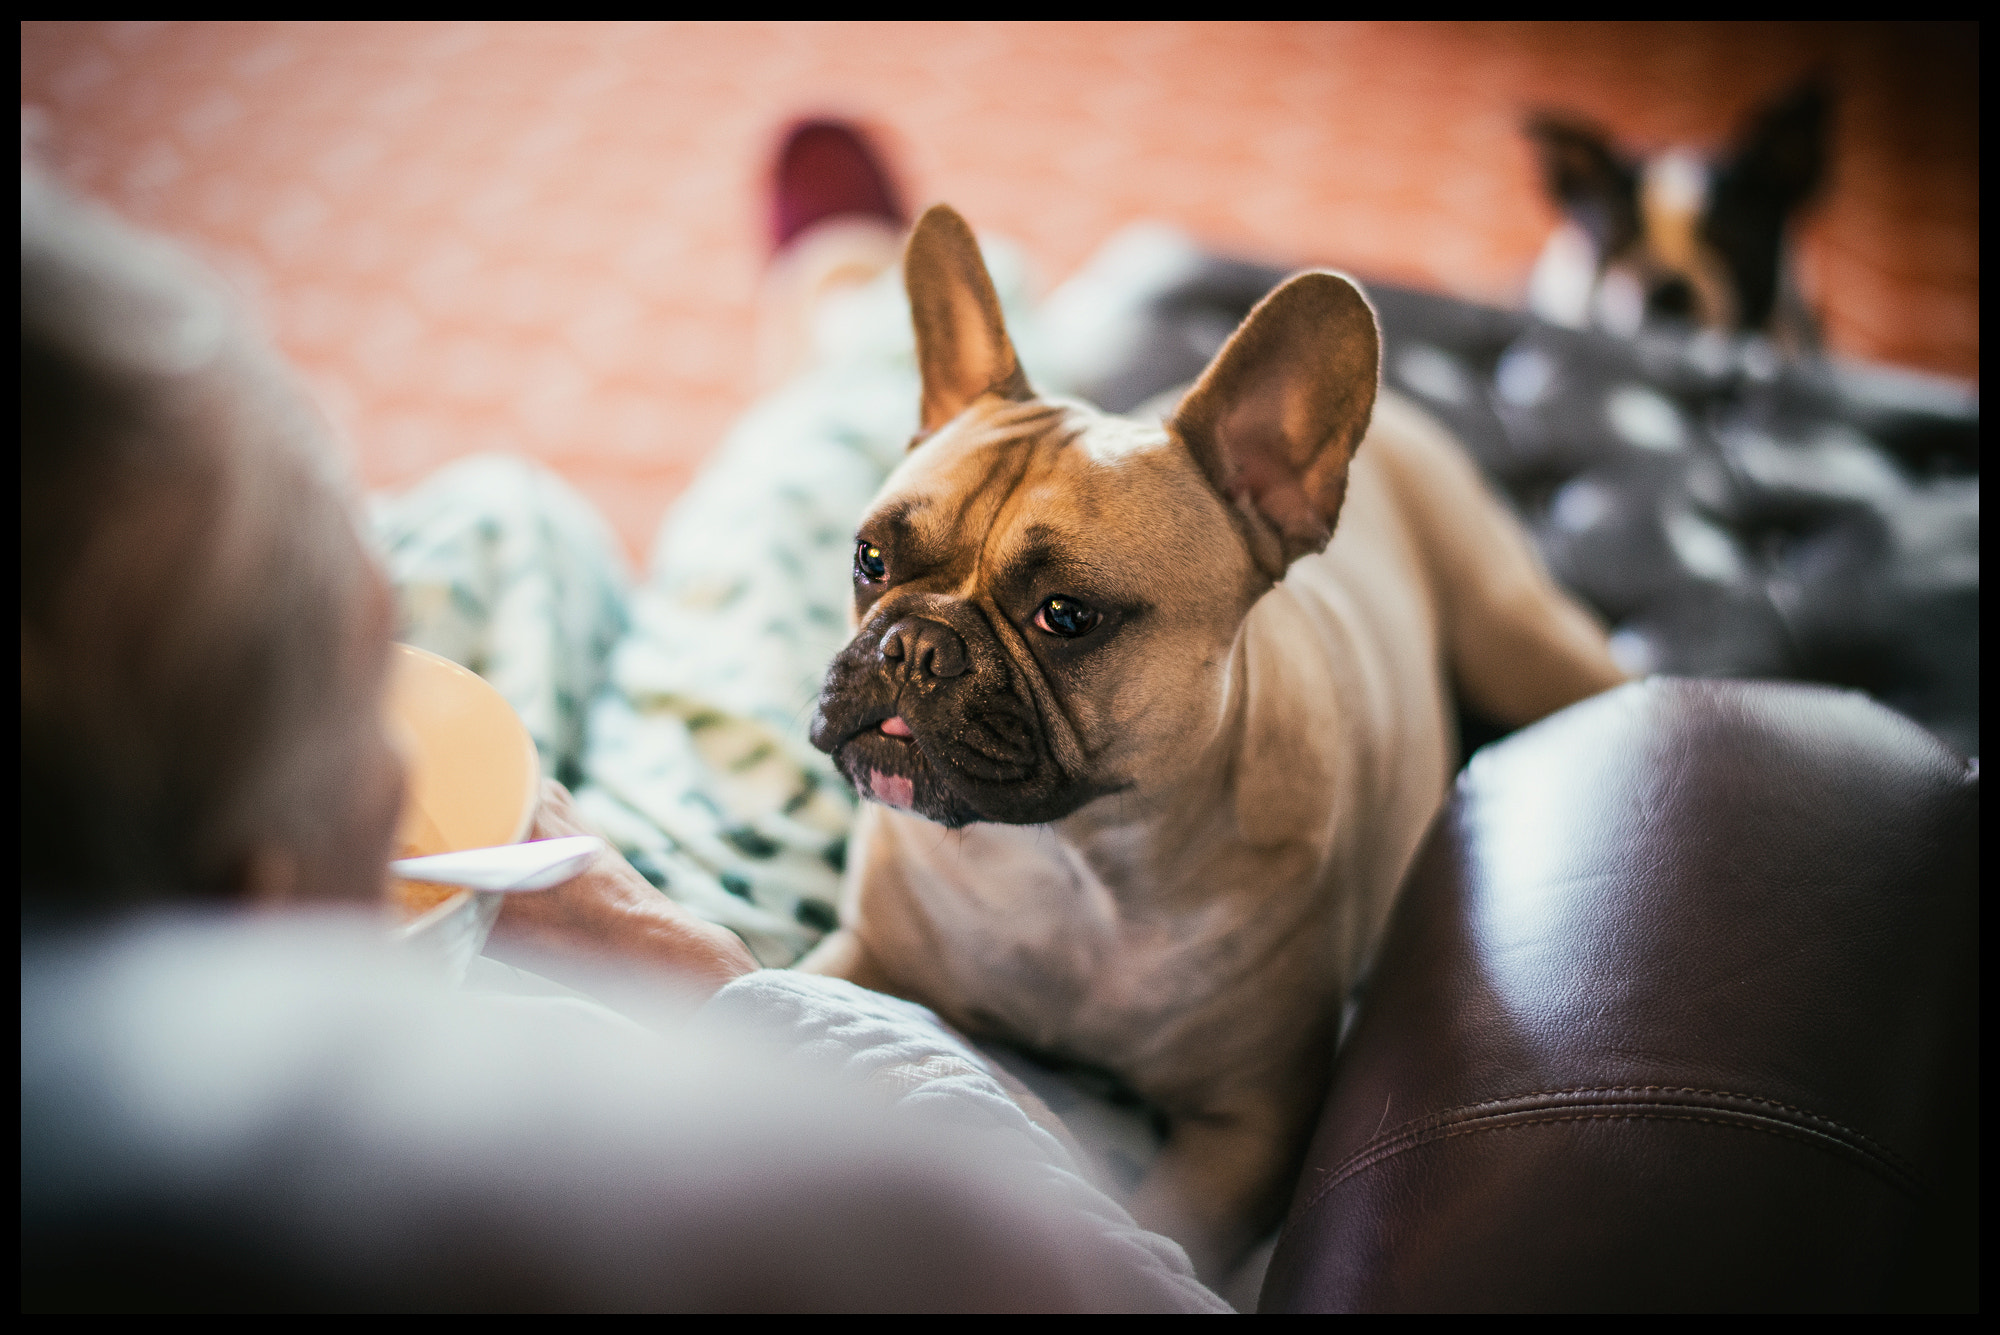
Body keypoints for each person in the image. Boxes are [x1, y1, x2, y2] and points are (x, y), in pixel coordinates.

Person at [19, 160, 1225, 1312]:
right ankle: (861, 323)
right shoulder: (723, 1196)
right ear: (261, 895)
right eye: (359, 695)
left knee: (505, 517)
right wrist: (683, 960)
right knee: (775, 512)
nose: (392, 711)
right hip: (693, 938)